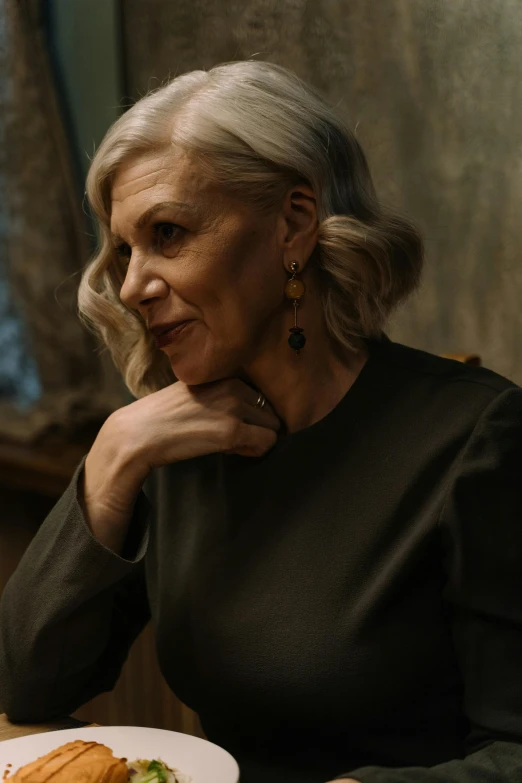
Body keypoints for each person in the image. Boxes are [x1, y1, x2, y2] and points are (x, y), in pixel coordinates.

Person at [1, 60, 522, 783]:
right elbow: (31, 687)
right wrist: (113, 455)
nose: (130, 285)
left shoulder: (476, 440)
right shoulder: (169, 443)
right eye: (125, 249)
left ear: (294, 223)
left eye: (169, 233)